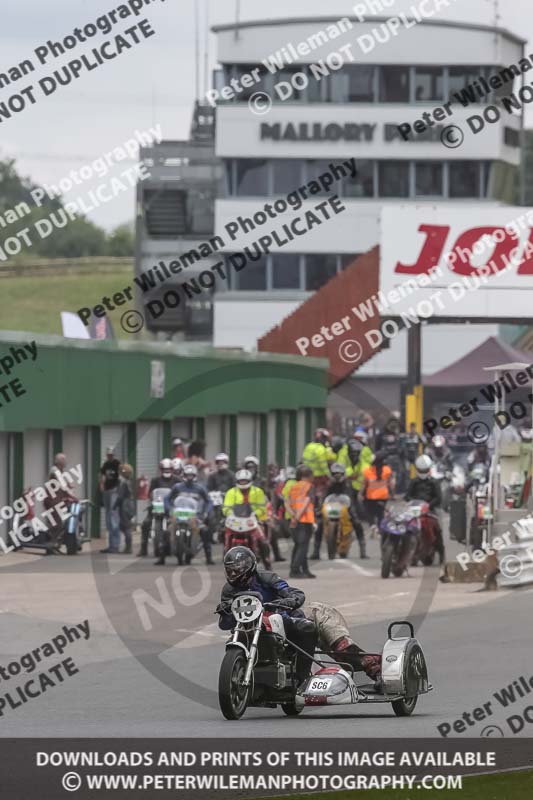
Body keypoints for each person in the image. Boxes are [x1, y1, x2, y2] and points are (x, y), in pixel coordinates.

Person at [215, 547, 381, 685]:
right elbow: (224, 624)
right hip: (248, 626)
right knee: (232, 640)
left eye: (236, 570)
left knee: (318, 633)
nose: (232, 574)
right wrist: (225, 610)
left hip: (280, 617)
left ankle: (371, 669)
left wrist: (289, 600)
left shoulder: (266, 578)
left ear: (248, 568)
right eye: (229, 570)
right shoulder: (228, 590)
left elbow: (291, 592)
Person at [164, 463, 213, 565]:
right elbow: (167, 498)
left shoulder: (200, 488)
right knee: (166, 531)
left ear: (195, 476)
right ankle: (161, 557)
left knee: (204, 531)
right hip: (178, 515)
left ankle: (209, 557)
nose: (189, 478)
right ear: (184, 476)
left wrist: (206, 512)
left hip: (195, 516)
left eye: (191, 475)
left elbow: (209, 501)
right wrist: (169, 509)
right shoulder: (177, 487)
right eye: (187, 475)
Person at [222, 469, 272, 568]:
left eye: (245, 481)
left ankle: (267, 561)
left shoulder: (258, 492)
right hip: (236, 520)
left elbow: (262, 508)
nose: (243, 483)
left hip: (252, 520)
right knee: (225, 534)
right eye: (241, 481)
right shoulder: (231, 492)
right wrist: (229, 513)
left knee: (262, 539)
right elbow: (226, 507)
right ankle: (226, 556)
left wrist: (256, 513)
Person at [404, 454, 445, 563]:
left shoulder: (434, 482)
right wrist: (412, 502)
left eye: (425, 470)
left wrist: (429, 505)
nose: (423, 472)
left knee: (437, 529)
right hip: (415, 510)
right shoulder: (414, 482)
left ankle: (441, 552)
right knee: (405, 526)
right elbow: (407, 496)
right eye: (421, 470)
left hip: (431, 509)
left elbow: (438, 498)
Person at [324, 462, 367, 559]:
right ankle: (316, 550)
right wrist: (320, 507)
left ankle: (362, 550)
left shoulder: (348, 484)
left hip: (346, 506)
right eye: (335, 473)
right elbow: (324, 496)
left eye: (339, 473)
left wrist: (353, 509)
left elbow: (351, 497)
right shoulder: (329, 484)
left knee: (357, 523)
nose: (337, 476)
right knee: (319, 525)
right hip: (331, 507)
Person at [137, 458, 175, 557]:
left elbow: (179, 494)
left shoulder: (177, 480)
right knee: (146, 523)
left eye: (169, 469)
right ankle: (143, 548)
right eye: (164, 469)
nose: (167, 471)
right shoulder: (155, 480)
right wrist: (152, 499)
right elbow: (150, 493)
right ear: (161, 469)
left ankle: (180, 545)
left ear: (172, 469)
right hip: (157, 506)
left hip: (171, 507)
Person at [285, 465, 316, 579]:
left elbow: (286, 502)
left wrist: (293, 515)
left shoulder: (294, 487)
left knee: (298, 545)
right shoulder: (309, 486)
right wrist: (297, 516)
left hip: (294, 519)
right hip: (304, 519)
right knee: (303, 546)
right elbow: (306, 502)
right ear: (308, 476)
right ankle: (295, 570)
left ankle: (305, 570)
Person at [362, 451, 393, 532]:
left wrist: (360, 494)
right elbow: (390, 484)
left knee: (369, 512)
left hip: (370, 497)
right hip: (383, 497)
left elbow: (364, 485)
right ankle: (380, 529)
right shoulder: (387, 470)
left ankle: (372, 525)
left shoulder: (367, 471)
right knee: (380, 514)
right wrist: (392, 494)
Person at [99, 447, 121, 554]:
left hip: (114, 491)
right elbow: (102, 475)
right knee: (108, 518)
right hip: (107, 491)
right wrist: (102, 484)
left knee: (113, 517)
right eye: (108, 455)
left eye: (111, 455)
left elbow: (123, 476)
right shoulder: (106, 464)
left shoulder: (118, 464)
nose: (110, 457)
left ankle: (115, 545)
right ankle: (111, 545)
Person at [114, 463, 135, 554]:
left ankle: (128, 547)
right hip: (130, 504)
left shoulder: (123, 483)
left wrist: (114, 506)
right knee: (127, 526)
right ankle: (128, 546)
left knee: (126, 527)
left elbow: (120, 496)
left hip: (124, 505)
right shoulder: (129, 481)